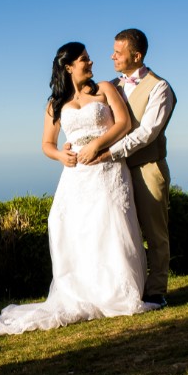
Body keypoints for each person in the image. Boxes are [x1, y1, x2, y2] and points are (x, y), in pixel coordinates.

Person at [0, 42, 159, 336]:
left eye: (89, 58)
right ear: (68, 67)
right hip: (76, 175)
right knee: (73, 228)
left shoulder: (104, 88)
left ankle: (118, 292)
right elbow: (46, 144)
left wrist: (97, 144)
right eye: (84, 59)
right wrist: (61, 156)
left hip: (106, 167)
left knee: (111, 225)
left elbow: (124, 123)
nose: (91, 62)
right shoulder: (55, 104)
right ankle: (84, 291)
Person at [76, 29, 176, 308]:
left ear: (137, 55)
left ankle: (156, 291)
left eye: (118, 52)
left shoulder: (160, 88)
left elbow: (147, 133)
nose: (112, 56)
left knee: (155, 233)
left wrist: (108, 152)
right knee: (121, 233)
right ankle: (127, 289)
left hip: (147, 168)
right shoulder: (109, 86)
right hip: (112, 173)